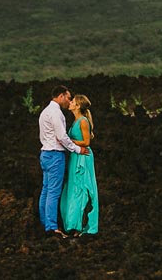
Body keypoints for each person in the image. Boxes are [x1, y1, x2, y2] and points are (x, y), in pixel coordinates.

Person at [38, 85, 89, 237]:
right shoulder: (55, 113)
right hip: (55, 155)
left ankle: (45, 222)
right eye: (68, 97)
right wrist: (78, 149)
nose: (69, 101)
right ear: (60, 96)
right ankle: (52, 228)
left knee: (46, 190)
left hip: (45, 154)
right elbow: (61, 137)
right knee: (53, 192)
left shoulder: (45, 111)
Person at [59, 94, 99, 235]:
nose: (70, 103)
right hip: (75, 155)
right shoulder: (75, 121)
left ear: (78, 106)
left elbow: (87, 142)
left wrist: (68, 141)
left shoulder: (83, 121)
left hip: (82, 156)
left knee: (80, 189)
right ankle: (73, 223)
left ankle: (77, 225)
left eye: (73, 102)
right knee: (74, 188)